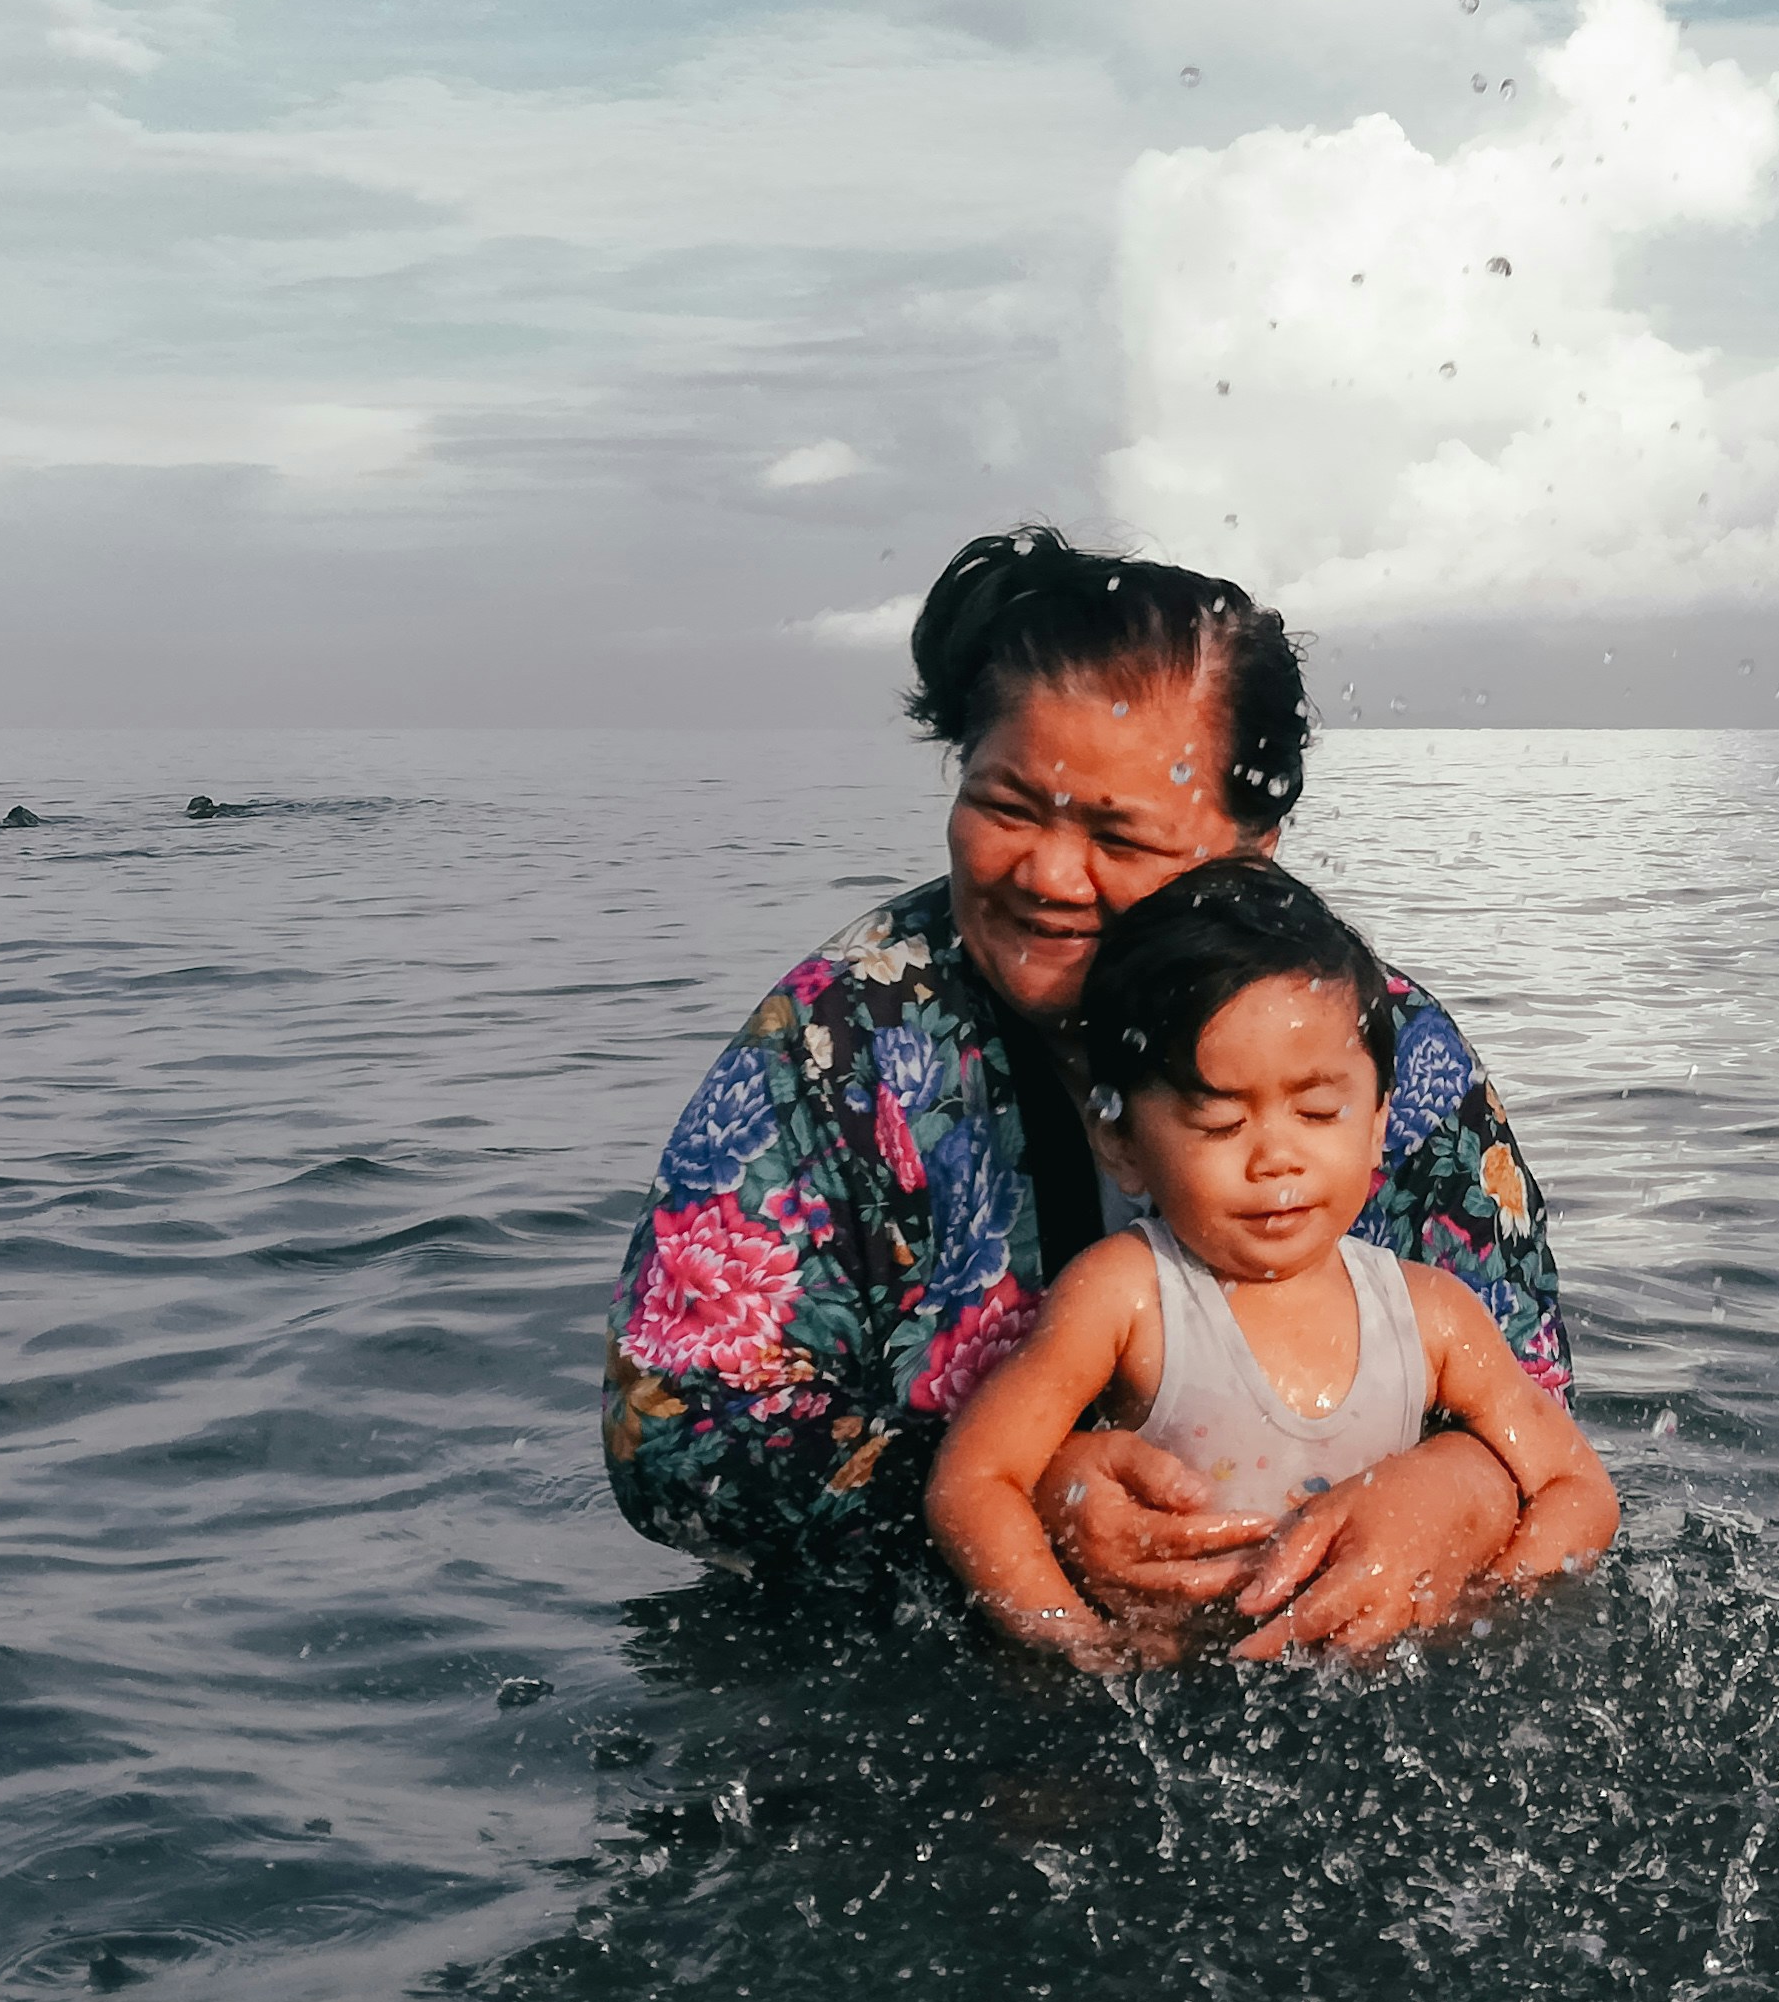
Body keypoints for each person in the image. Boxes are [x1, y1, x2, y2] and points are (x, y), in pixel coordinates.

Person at [605, 526, 1569, 1658]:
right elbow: (672, 1441)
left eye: (1119, 834)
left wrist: (1458, 1493)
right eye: (1007, 807)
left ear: (1256, 846)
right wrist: (1011, 1499)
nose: (1050, 877)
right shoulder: (841, 1042)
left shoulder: (1375, 1043)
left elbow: (1527, 1394)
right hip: (917, 1664)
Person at [927, 860, 1615, 1666]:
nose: (1276, 1158)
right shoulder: (1127, 1296)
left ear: (1375, 1124)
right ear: (1118, 1139)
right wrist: (1077, 1644)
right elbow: (973, 1481)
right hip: (1169, 1678)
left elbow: (1580, 1492)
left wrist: (1480, 1608)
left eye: (1319, 1112)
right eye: (1220, 1123)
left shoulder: (1429, 1315)